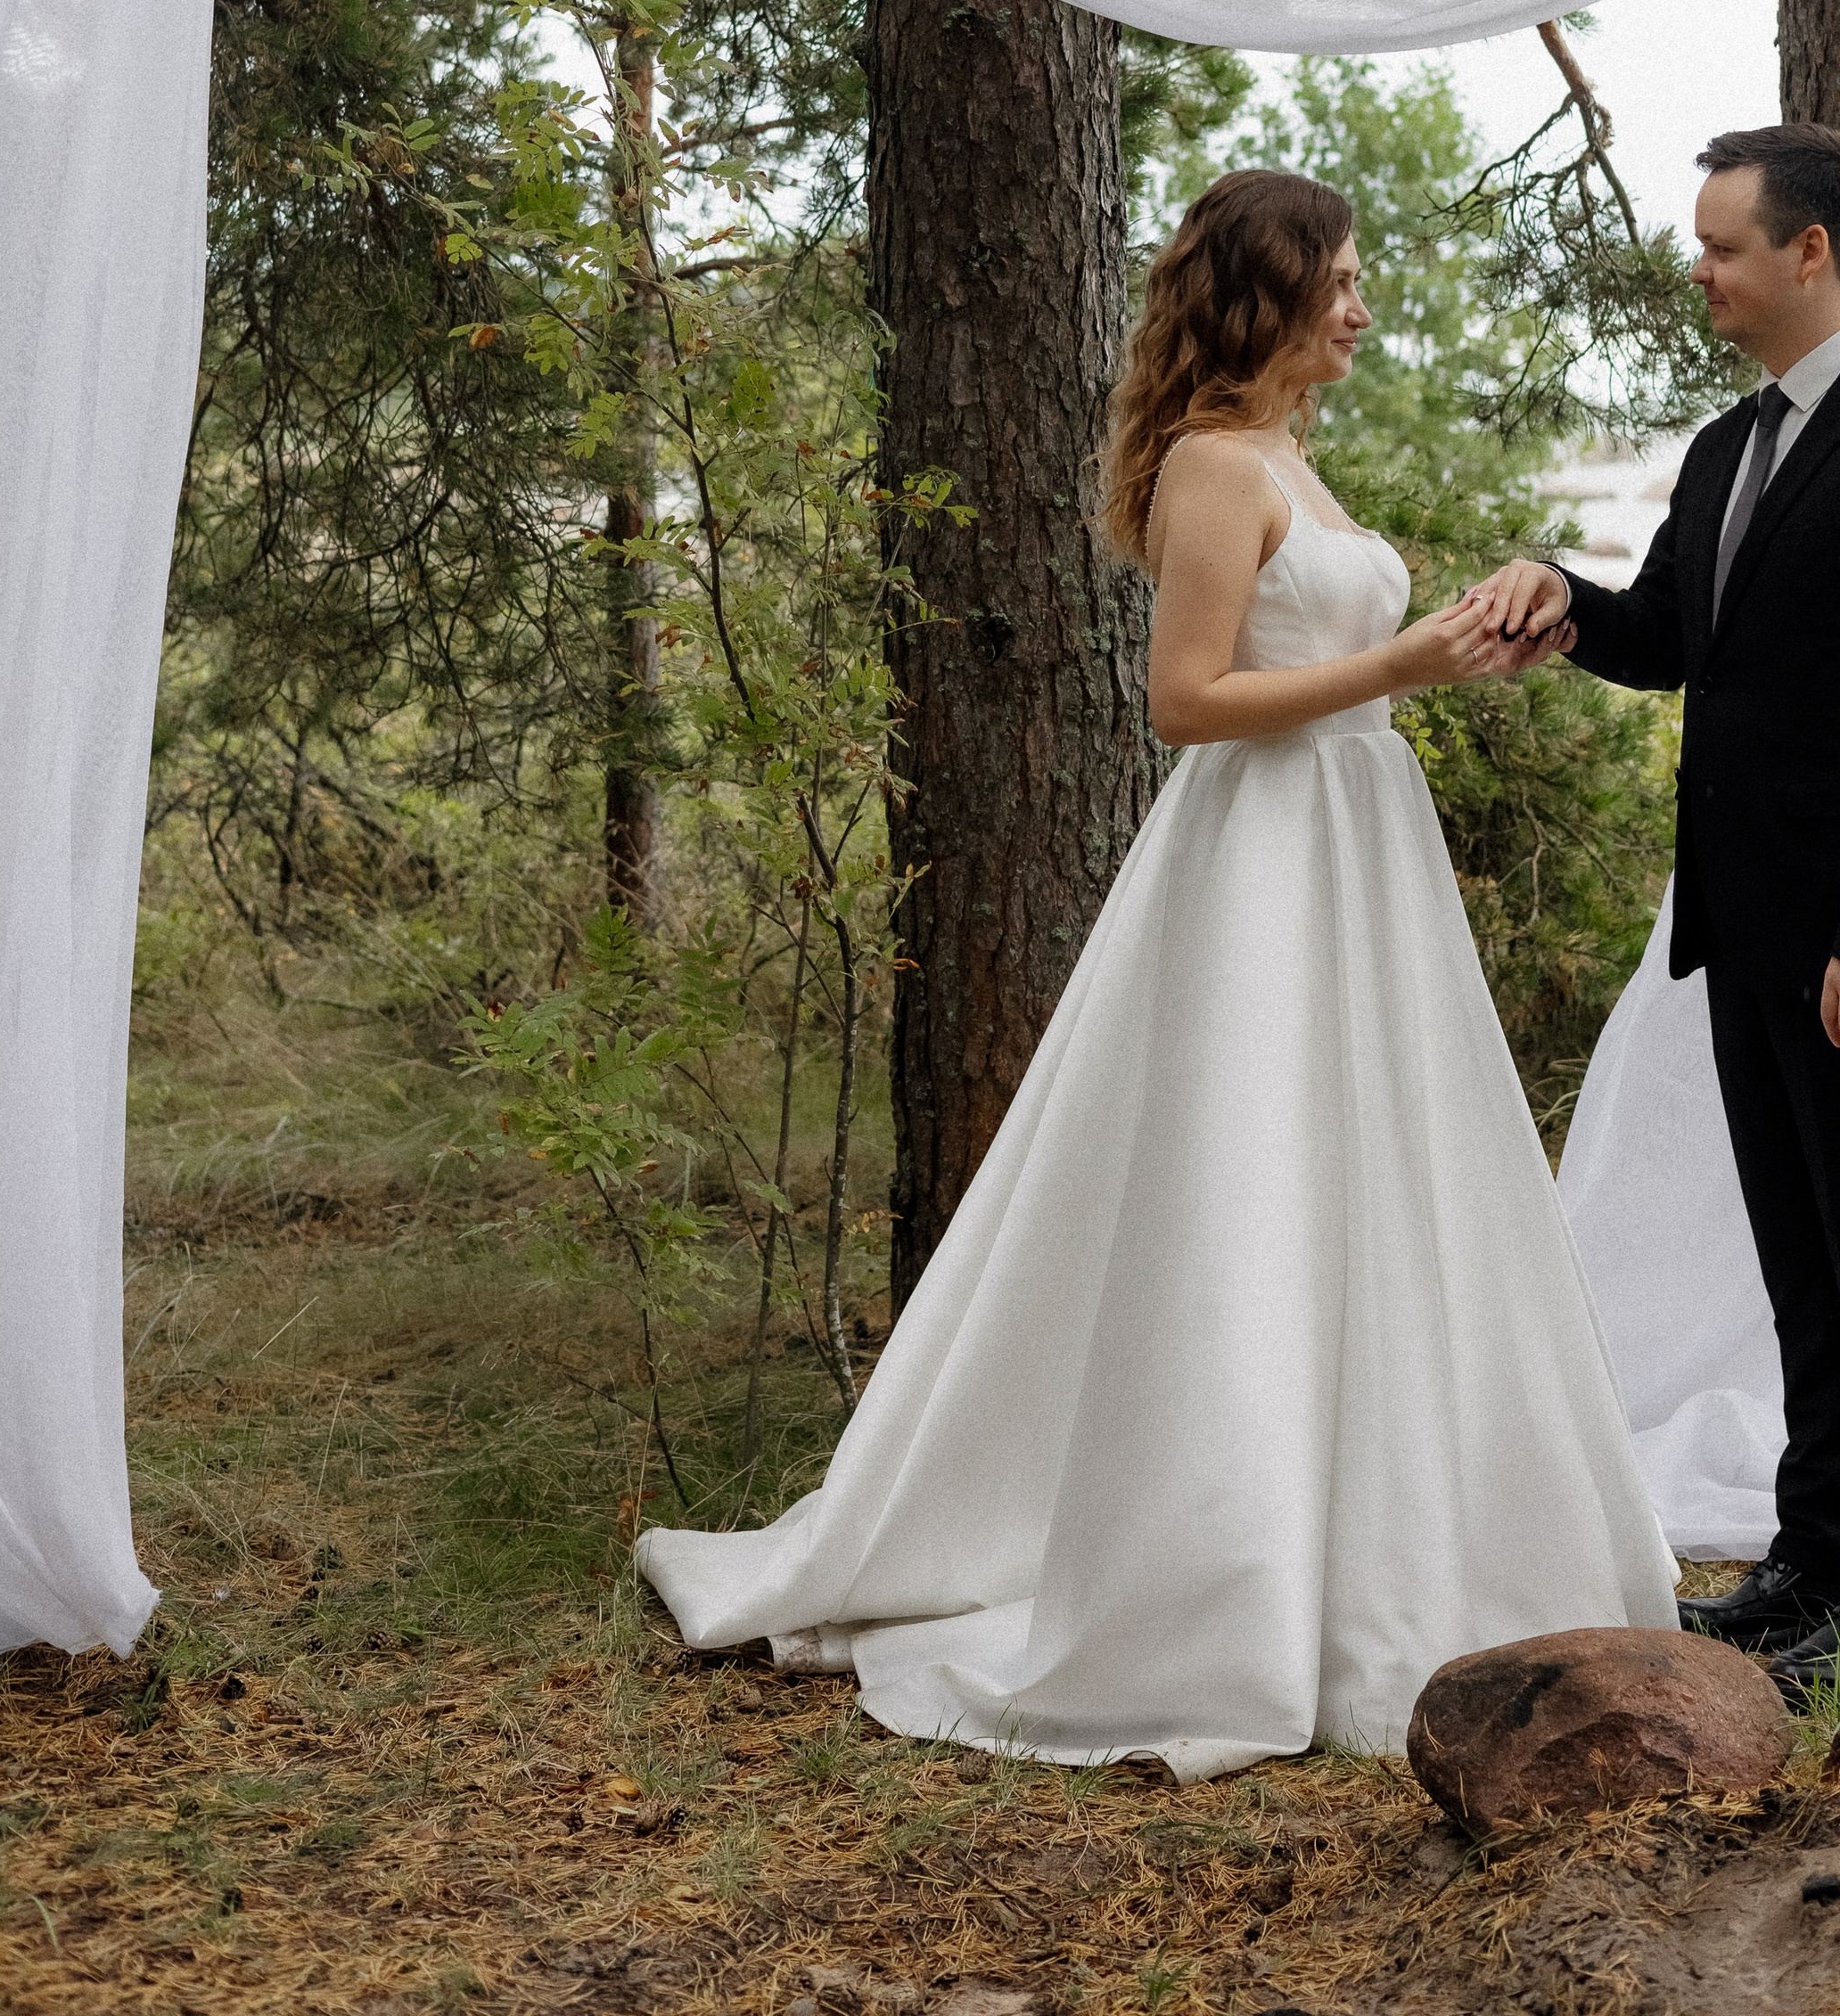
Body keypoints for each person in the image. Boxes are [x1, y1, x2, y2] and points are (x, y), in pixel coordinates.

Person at [636, 168, 1678, 1772]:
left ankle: (1396, 1526)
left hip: (1355, 838)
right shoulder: (1211, 464)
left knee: (1379, 1173)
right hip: (1262, 858)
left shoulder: (1290, 462)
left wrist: (1462, 651)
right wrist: (1400, 661)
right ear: (1266, 293)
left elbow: (1320, 666)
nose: (1362, 305)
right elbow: (1185, 702)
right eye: (1338, 279)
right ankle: (1227, 1570)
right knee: (1250, 1179)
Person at [1474, 123, 1840, 1695]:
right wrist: (1560, 600)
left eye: (1722, 247)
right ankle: (1813, 1555)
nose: (1698, 272)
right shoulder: (1729, 447)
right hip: (1753, 926)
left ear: (1809, 253)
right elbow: (1670, 638)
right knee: (1804, 1258)